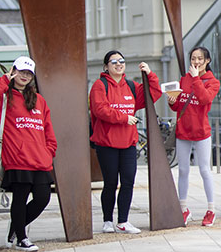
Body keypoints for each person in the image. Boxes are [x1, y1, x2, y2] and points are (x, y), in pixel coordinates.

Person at [0, 56, 57, 252]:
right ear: (13, 71)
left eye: (29, 73)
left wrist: (49, 152)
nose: (25, 76)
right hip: (17, 159)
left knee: (42, 198)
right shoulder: (3, 98)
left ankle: (15, 227)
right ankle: (22, 238)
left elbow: (48, 130)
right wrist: (4, 81)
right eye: (21, 71)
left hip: (40, 160)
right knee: (20, 199)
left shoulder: (39, 100)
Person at [89, 50, 162, 234]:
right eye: (114, 62)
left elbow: (153, 94)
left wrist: (149, 74)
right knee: (111, 183)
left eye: (121, 61)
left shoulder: (130, 86)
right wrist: (123, 118)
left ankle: (123, 221)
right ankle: (107, 220)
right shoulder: (100, 85)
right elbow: (100, 110)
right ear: (106, 66)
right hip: (107, 144)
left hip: (128, 143)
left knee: (128, 181)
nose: (118, 64)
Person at [168, 46, 220, 226]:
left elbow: (205, 99)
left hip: (202, 132)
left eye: (199, 59)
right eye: (193, 58)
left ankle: (211, 210)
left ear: (207, 61)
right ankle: (183, 209)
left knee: (205, 170)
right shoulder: (184, 79)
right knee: (183, 170)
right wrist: (172, 102)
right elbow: (179, 106)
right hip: (183, 130)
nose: (196, 62)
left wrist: (197, 78)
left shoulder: (213, 81)